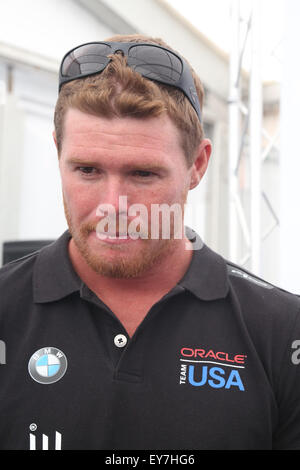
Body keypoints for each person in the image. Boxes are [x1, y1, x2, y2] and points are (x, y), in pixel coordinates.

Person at [0, 33, 300, 451]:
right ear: (58, 153)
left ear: (197, 165)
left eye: (143, 174)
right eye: (87, 170)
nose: (113, 206)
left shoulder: (283, 332)